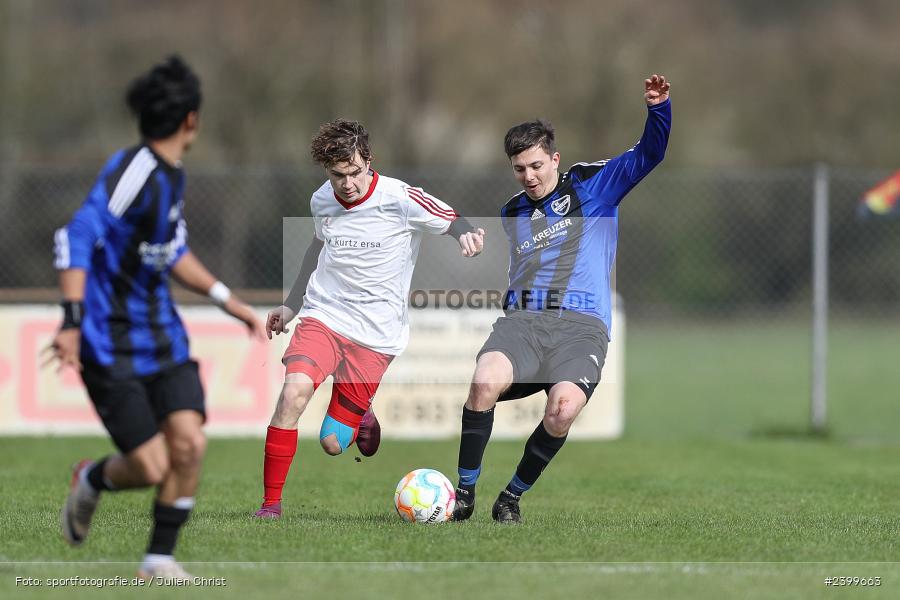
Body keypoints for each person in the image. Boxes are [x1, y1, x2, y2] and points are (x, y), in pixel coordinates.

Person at [49, 56, 264, 580]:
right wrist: (72, 321)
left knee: (190, 444)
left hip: (162, 336)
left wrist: (227, 300)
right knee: (150, 467)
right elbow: (75, 236)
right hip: (109, 340)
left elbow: (172, 252)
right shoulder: (135, 170)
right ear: (192, 119)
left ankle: (158, 561)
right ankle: (92, 479)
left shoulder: (172, 177)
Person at [452, 74, 672, 523]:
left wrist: (658, 109)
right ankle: (463, 495)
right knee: (482, 382)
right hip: (525, 324)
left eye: (536, 165)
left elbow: (649, 154)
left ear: (554, 159)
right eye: (520, 168)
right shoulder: (512, 211)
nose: (529, 176)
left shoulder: (594, 185)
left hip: (582, 327)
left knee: (563, 411)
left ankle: (510, 497)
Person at [254, 119, 485, 518]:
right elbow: (317, 249)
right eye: (337, 175)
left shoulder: (400, 197)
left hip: (377, 335)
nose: (347, 184)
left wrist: (465, 233)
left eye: (355, 173)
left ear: (369, 162)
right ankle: (270, 506)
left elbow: (447, 216)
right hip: (325, 315)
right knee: (293, 394)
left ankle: (362, 410)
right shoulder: (321, 200)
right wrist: (292, 305)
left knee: (331, 442)